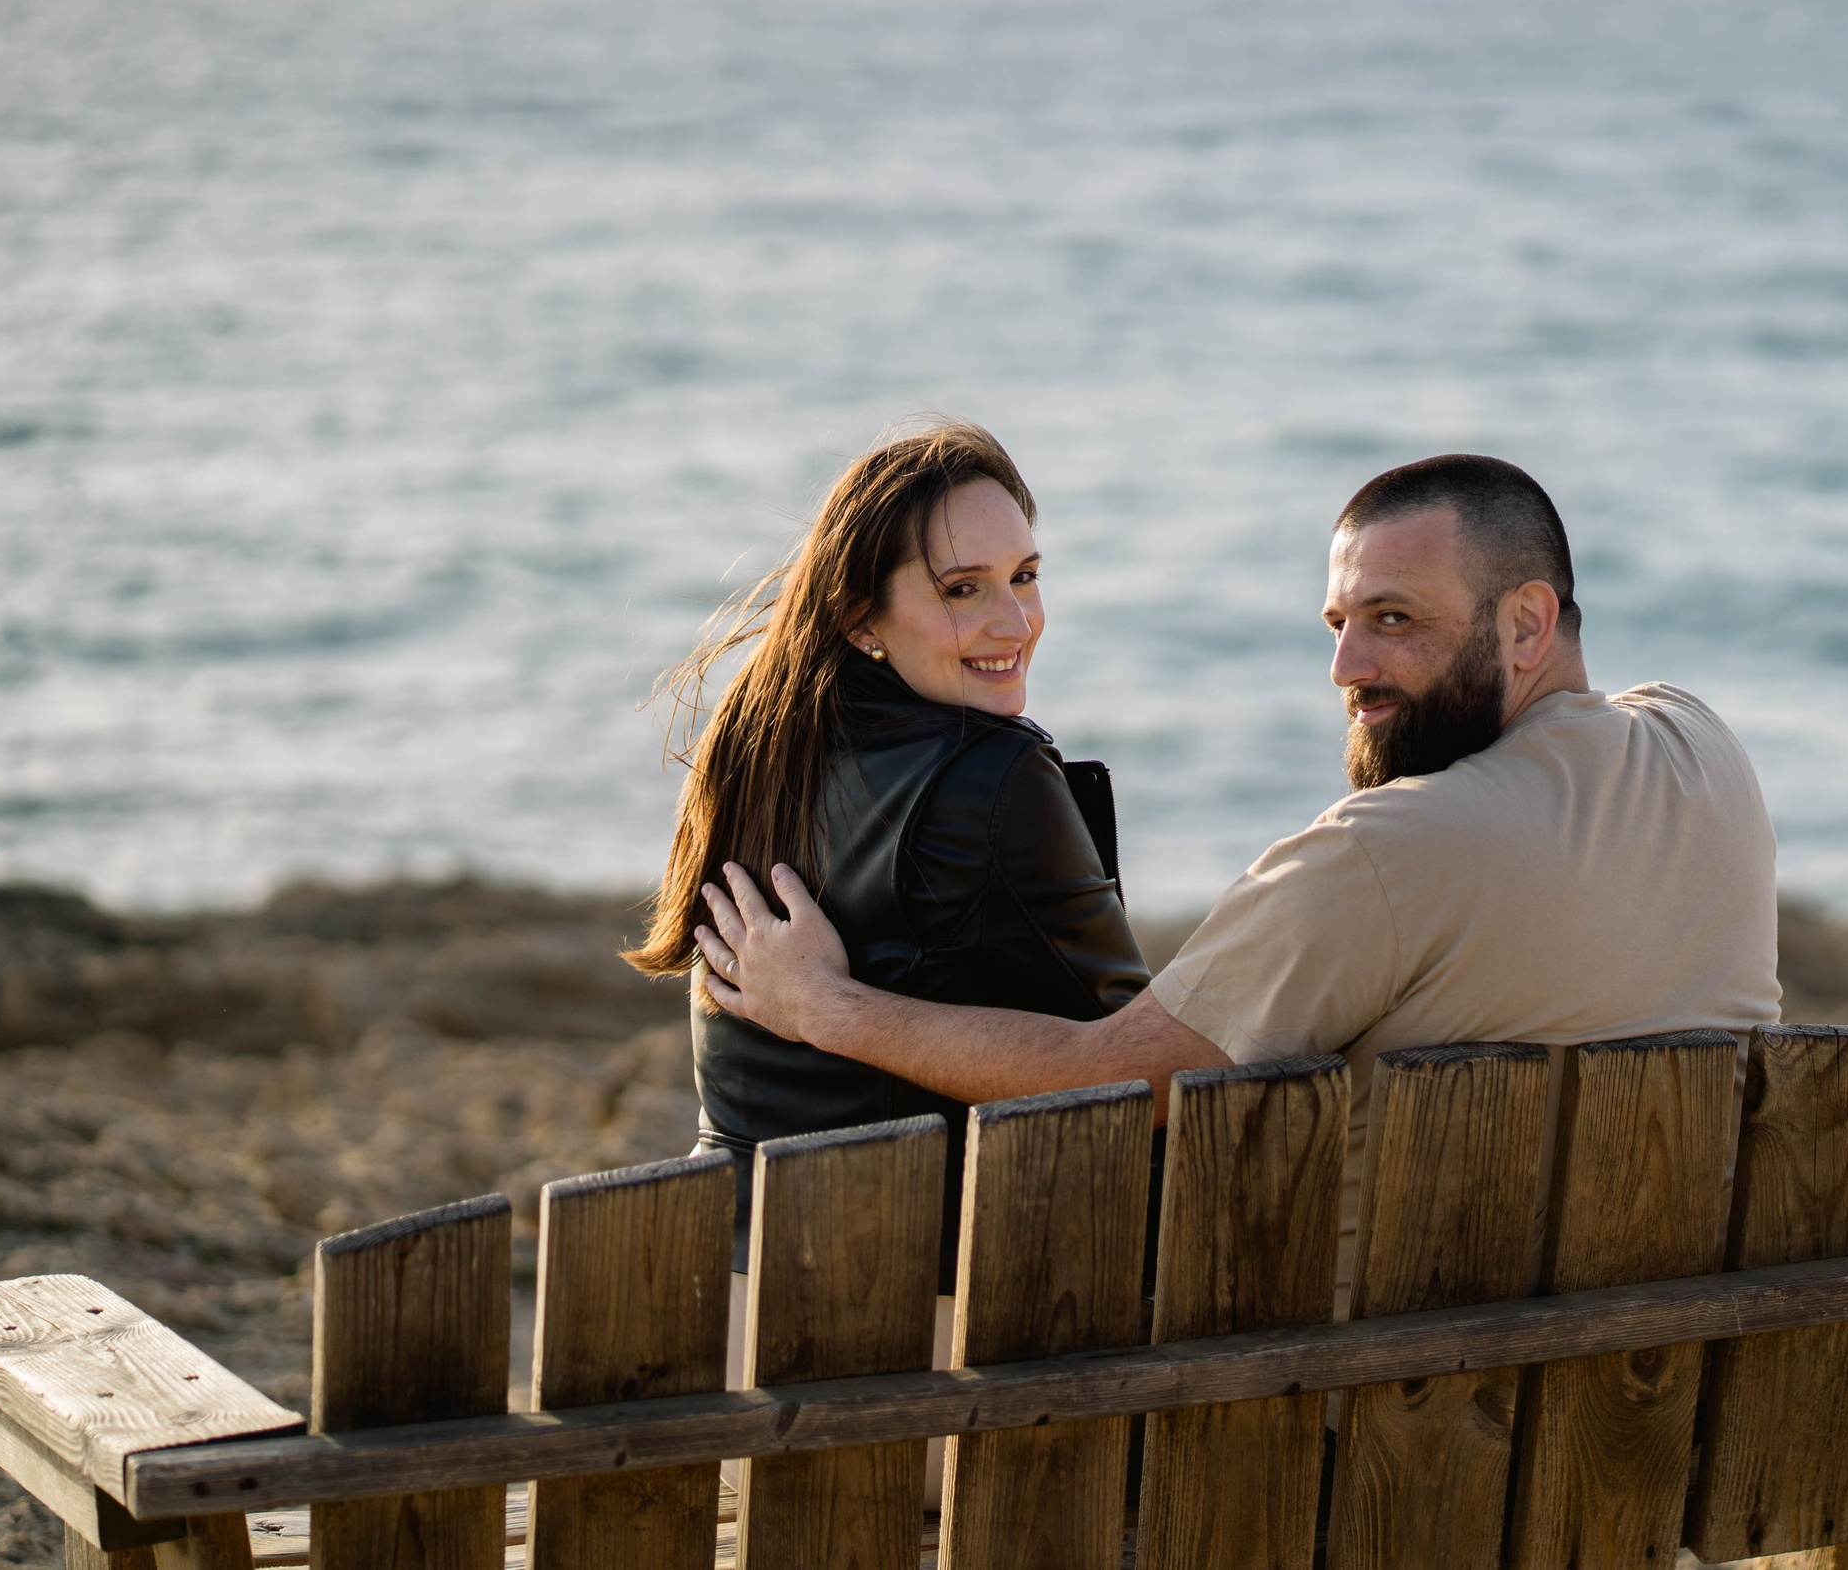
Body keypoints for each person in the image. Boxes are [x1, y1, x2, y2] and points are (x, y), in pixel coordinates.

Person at [696, 453, 1782, 1310]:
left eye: (1394, 621)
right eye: (1339, 623)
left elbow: (1107, 1076)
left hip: (1393, 1433)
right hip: (1664, 1402)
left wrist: (823, 1006)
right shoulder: (1705, 748)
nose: (1346, 668)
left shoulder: (1381, 855)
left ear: (1528, 623)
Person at [627, 419, 1149, 1444]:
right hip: (917, 1376)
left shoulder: (761, 739)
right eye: (963, 589)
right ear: (863, 616)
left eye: (1027, 575)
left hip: (733, 1347)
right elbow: (1138, 1070)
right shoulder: (989, 778)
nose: (1016, 620)